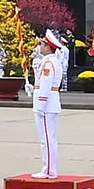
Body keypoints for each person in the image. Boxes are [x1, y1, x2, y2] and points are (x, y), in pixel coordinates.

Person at [29, 31, 67, 175]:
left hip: (46, 105)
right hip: (49, 102)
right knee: (48, 138)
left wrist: (40, 105)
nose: (40, 46)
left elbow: (46, 86)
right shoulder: (52, 61)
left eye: (42, 44)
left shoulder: (49, 62)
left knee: (46, 139)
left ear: (48, 47)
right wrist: (32, 87)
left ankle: (49, 170)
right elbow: (42, 85)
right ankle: (49, 169)